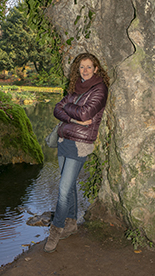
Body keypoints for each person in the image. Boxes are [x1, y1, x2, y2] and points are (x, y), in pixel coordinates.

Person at [44, 52, 109, 253]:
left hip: (80, 144)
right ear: (77, 69)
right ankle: (71, 224)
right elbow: (57, 109)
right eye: (82, 67)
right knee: (68, 185)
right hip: (64, 139)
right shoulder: (75, 88)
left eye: (89, 66)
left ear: (96, 68)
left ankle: (56, 230)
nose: (85, 70)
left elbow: (85, 113)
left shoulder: (100, 88)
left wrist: (71, 111)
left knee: (63, 190)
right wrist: (74, 119)